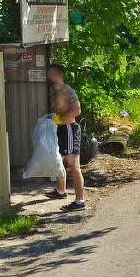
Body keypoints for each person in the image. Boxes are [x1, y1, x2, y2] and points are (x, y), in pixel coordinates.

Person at [47, 63, 86, 211]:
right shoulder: (55, 91)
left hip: (69, 128)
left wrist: (61, 119)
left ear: (58, 75)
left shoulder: (67, 90)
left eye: (50, 74)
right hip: (61, 129)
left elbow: (77, 110)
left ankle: (80, 201)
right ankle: (61, 191)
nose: (47, 76)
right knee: (60, 161)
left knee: (73, 165)